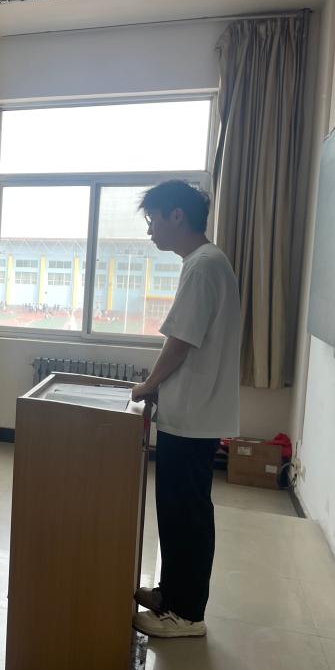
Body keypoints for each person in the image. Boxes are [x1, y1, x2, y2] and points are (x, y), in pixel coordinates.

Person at [130, 180, 240, 639]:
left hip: (194, 417)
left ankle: (187, 614)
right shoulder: (204, 263)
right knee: (177, 511)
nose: (150, 230)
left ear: (177, 216)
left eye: (153, 219)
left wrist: (149, 385)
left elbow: (180, 342)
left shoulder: (203, 266)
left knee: (187, 514)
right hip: (191, 413)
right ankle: (172, 595)